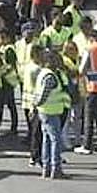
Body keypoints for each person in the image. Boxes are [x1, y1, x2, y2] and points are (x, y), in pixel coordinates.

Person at [34, 48, 71, 179]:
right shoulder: (50, 76)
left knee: (47, 140)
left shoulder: (44, 73)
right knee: (55, 140)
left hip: (47, 111)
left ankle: (47, 167)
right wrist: (38, 104)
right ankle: (55, 168)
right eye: (53, 59)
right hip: (51, 111)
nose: (56, 61)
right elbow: (44, 94)